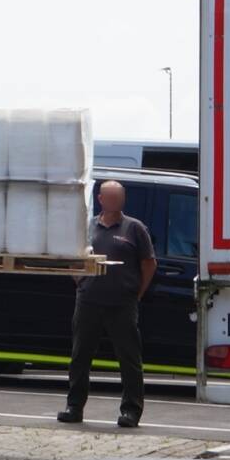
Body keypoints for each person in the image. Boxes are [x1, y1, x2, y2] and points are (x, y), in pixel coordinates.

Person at [57, 181, 155, 428]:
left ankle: (131, 410)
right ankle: (74, 406)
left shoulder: (135, 228)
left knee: (129, 358)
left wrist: (137, 293)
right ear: (101, 199)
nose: (115, 202)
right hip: (88, 302)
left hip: (122, 304)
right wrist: (79, 281)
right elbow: (74, 257)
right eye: (111, 198)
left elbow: (149, 263)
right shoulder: (88, 227)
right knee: (80, 356)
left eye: (119, 198)